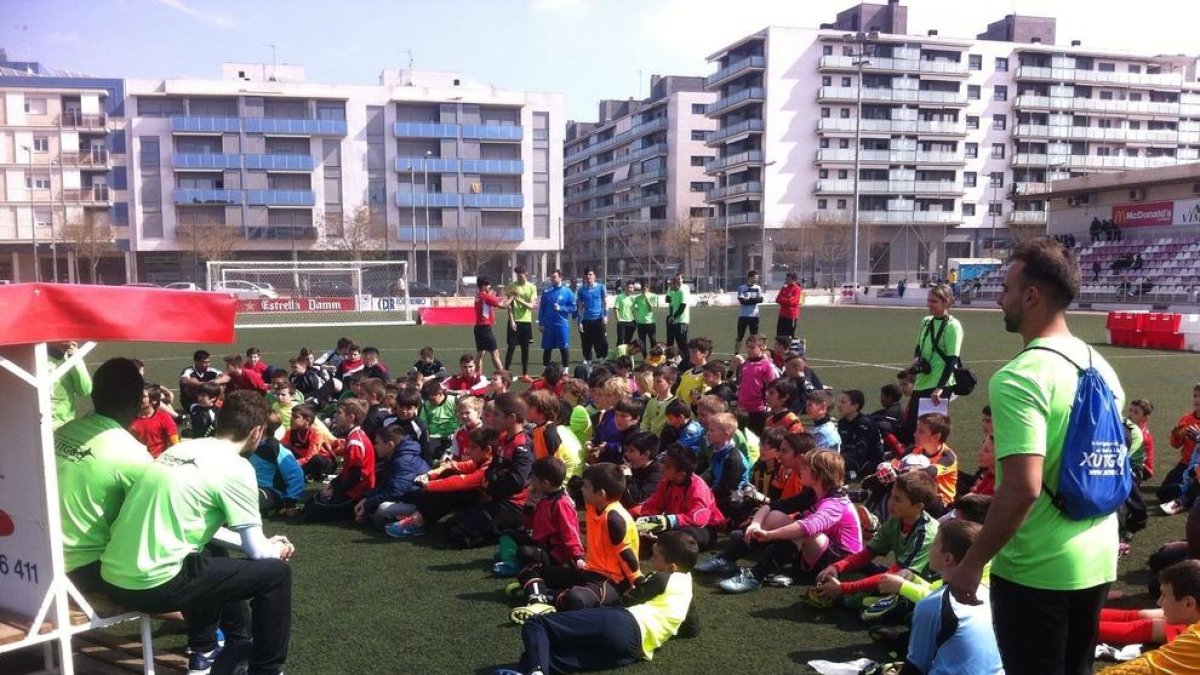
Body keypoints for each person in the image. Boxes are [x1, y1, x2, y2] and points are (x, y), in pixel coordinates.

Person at [945, 238, 1124, 675]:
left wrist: (973, 562)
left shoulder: (1020, 377)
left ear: (1030, 296)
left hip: (1037, 568)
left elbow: (1022, 488)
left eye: (1006, 289)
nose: (999, 299)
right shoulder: (1101, 365)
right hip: (1097, 557)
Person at [100, 390, 295, 675]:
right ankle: (266, 670)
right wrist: (276, 548)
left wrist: (264, 544)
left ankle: (203, 654)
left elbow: (207, 533)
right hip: (150, 586)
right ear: (257, 431)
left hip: (112, 577)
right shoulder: (237, 467)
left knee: (207, 556)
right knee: (276, 575)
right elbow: (258, 552)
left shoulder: (180, 449)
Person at [494, 531, 699, 675]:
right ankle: (533, 669)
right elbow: (692, 628)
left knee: (537, 624)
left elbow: (626, 601)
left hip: (623, 623)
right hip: (632, 650)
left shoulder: (663, 578)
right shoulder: (687, 589)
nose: (651, 559)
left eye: (655, 556)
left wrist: (597, 612)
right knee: (548, 657)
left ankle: (536, 670)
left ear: (672, 567)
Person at [56, 358, 151, 595]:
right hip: (84, 569)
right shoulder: (133, 454)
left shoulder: (64, 431)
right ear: (138, 403)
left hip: (41, 556)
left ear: (94, 394)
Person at [718, 448, 863, 593]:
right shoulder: (813, 493)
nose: (801, 470)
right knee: (775, 516)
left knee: (803, 532)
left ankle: (755, 576)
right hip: (818, 555)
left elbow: (807, 527)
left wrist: (769, 535)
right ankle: (726, 559)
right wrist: (755, 524)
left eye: (805, 468)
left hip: (842, 565)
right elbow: (774, 505)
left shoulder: (836, 503)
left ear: (818, 474)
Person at [510, 463, 642, 622]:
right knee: (530, 568)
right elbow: (575, 485)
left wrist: (638, 583)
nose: (582, 490)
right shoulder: (594, 504)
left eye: (586, 487)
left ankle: (540, 593)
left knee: (576, 599)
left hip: (612, 581)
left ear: (601, 494)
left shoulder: (614, 518)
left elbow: (627, 556)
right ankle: (538, 597)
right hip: (590, 572)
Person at [812, 471, 940, 610]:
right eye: (891, 496)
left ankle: (849, 598)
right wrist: (836, 567)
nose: (890, 502)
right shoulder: (896, 519)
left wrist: (843, 588)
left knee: (861, 602)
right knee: (848, 564)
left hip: (921, 590)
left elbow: (895, 576)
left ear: (919, 507)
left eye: (898, 499)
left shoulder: (925, 535)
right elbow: (867, 554)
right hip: (897, 577)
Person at [892, 519, 1003, 675]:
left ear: (947, 559)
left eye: (934, 544)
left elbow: (915, 668)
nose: (930, 548)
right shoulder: (989, 594)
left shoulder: (933, 604)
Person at [1100, 560, 1200, 674]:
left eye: (1165, 595)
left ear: (1189, 603)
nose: (1159, 602)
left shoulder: (1193, 643)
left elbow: (1145, 668)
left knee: (1150, 625)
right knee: (1148, 617)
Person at [492, 456, 585, 578]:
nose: (531, 482)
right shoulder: (543, 497)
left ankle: (513, 563)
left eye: (534, 479)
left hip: (553, 553)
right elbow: (528, 525)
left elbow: (571, 533)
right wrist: (529, 505)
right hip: (538, 544)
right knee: (508, 534)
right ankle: (511, 559)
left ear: (545, 483)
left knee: (524, 552)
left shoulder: (562, 503)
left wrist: (578, 557)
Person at [635, 444, 726, 551]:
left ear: (681, 474)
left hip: (702, 528)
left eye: (667, 466)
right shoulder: (666, 482)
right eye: (663, 462)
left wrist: (670, 520)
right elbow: (652, 505)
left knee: (684, 537)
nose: (662, 467)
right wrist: (648, 520)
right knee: (639, 525)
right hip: (675, 525)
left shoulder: (697, 487)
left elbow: (698, 519)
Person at [903, 284, 963, 443]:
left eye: (934, 301)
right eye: (929, 300)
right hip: (923, 381)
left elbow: (952, 360)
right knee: (912, 427)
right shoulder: (926, 321)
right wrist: (917, 359)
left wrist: (940, 388)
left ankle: (934, 456)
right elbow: (919, 346)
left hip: (938, 385)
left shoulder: (953, 326)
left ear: (946, 302)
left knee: (932, 430)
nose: (930, 304)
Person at [303, 398, 376, 522]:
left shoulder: (355, 442)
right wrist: (333, 484)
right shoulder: (353, 436)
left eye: (339, 413)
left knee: (311, 511)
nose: (335, 416)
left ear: (351, 417)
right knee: (312, 502)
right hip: (351, 489)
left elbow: (355, 476)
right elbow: (347, 471)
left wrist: (336, 491)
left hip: (356, 493)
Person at [356, 424, 430, 529]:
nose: (375, 446)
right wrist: (366, 498)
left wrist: (368, 504)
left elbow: (395, 492)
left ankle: (412, 523)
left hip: (420, 505)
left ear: (390, 445)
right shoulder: (397, 456)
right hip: (409, 498)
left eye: (377, 443)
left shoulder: (403, 461)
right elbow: (385, 484)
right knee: (372, 505)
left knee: (382, 510)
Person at [250, 411, 305, 515]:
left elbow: (296, 474)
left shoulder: (275, 448)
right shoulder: (249, 444)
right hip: (250, 487)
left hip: (270, 492)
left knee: (242, 498)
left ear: (264, 426)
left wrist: (290, 502)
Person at [838, 389, 883, 480]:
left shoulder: (865, 424)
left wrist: (838, 457)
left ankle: (851, 474)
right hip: (849, 457)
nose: (839, 405)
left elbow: (861, 452)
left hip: (868, 461)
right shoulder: (842, 423)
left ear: (855, 406)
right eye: (839, 402)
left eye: (843, 402)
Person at [737, 335, 778, 436]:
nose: (749, 350)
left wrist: (769, 404)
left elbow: (772, 386)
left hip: (758, 408)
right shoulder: (745, 364)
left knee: (757, 436)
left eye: (752, 347)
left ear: (761, 348)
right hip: (743, 407)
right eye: (748, 347)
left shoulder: (766, 365)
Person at [505, 266, 539, 382]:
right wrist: (512, 320)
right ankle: (505, 373)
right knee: (511, 347)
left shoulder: (532, 287)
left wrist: (517, 299)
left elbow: (531, 306)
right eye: (517, 275)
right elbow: (509, 305)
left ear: (526, 274)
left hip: (526, 321)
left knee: (525, 348)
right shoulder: (512, 286)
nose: (519, 277)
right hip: (514, 321)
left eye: (521, 275)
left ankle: (525, 374)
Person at [129, 385, 180, 458]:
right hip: (136, 460)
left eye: (143, 396)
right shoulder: (129, 419)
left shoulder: (164, 418)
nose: (138, 399)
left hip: (158, 460)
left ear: (154, 401)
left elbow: (175, 444)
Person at [539, 269, 576, 369]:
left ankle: (565, 371)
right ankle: (545, 370)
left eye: (554, 277)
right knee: (547, 348)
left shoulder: (567, 291)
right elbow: (542, 309)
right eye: (551, 277)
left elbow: (573, 307)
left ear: (560, 277)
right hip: (549, 325)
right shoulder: (546, 292)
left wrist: (561, 308)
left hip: (561, 324)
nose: (552, 279)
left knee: (564, 348)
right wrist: (541, 323)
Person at [576, 268, 609, 366]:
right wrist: (580, 322)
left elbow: (605, 303)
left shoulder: (601, 287)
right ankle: (588, 363)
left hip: (598, 320)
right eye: (586, 275)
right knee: (586, 344)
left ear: (594, 276)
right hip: (586, 321)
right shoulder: (581, 290)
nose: (588, 276)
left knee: (602, 342)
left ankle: (602, 359)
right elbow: (580, 307)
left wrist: (605, 316)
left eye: (590, 274)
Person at [641, 365, 678, 436]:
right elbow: (645, 423)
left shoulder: (675, 403)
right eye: (654, 381)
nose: (654, 384)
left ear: (670, 383)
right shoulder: (651, 402)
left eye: (659, 381)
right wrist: (645, 436)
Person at [734, 270, 764, 356]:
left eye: (757, 278)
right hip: (743, 315)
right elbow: (742, 301)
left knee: (754, 337)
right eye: (755, 278)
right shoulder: (742, 288)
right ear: (750, 277)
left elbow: (761, 300)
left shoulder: (758, 288)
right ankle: (736, 354)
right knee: (740, 336)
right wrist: (754, 300)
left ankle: (753, 354)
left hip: (754, 316)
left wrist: (749, 300)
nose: (756, 280)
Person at [665, 274, 691, 359]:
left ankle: (687, 361)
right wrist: (671, 316)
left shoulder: (682, 292)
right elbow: (671, 305)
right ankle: (675, 360)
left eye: (671, 285)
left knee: (682, 343)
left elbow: (683, 306)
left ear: (675, 284)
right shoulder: (673, 293)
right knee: (673, 341)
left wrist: (674, 317)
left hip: (682, 321)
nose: (669, 287)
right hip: (675, 321)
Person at [775, 271, 803, 341]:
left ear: (794, 279)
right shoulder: (784, 287)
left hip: (791, 315)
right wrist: (786, 300)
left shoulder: (797, 289)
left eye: (789, 279)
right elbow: (777, 299)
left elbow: (791, 302)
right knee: (779, 335)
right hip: (782, 314)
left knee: (789, 336)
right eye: (786, 279)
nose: (787, 280)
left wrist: (783, 299)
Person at [614, 279, 638, 350]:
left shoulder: (634, 299)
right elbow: (615, 309)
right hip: (622, 322)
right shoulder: (620, 297)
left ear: (633, 289)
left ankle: (626, 355)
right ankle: (618, 355)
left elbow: (636, 310)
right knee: (620, 340)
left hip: (632, 322)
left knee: (628, 341)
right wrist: (618, 319)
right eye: (628, 287)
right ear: (625, 287)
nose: (629, 289)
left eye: (631, 287)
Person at [632, 281, 659, 347]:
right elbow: (635, 308)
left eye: (645, 288)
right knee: (642, 342)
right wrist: (636, 309)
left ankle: (653, 353)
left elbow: (651, 309)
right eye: (642, 289)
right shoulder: (637, 298)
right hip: (641, 323)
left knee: (653, 341)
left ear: (648, 288)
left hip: (650, 322)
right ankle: (644, 354)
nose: (644, 290)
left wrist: (646, 298)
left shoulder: (653, 296)